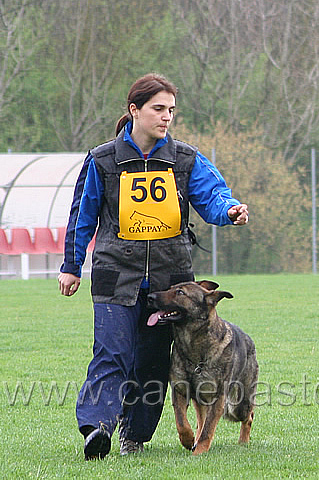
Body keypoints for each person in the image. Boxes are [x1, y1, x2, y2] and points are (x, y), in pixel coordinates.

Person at [58, 73, 249, 460]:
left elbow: (213, 195)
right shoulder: (103, 160)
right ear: (134, 110)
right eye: (158, 109)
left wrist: (229, 210)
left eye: (171, 111)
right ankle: (97, 428)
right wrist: (72, 264)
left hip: (170, 279)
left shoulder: (184, 159)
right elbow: (83, 214)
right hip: (116, 274)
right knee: (111, 352)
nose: (166, 117)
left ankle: (134, 435)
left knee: (152, 362)